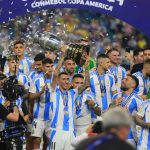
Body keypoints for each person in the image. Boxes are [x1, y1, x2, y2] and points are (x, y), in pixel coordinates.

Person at [48, 67, 90, 150]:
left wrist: (87, 69)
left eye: (67, 79)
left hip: (71, 132)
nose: (66, 81)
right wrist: (62, 57)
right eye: (63, 79)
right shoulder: (53, 91)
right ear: (58, 81)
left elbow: (86, 84)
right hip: (57, 132)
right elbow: (55, 73)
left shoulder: (73, 93)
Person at [112, 74, 143, 146]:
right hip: (114, 136)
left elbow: (142, 120)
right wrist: (112, 105)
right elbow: (107, 114)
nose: (122, 80)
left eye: (126, 79)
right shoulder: (116, 96)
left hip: (129, 137)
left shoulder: (137, 100)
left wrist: (128, 115)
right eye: (123, 79)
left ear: (133, 84)